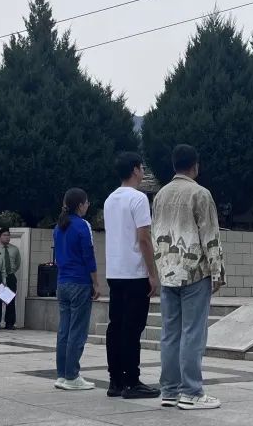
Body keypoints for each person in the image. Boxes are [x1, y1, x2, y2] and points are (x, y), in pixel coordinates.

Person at [152, 144, 224, 411]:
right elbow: (210, 235)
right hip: (194, 271)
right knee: (193, 332)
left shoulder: (160, 195)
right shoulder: (200, 193)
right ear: (195, 166)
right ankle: (191, 391)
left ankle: (169, 390)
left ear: (174, 165)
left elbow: (155, 233)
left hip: (167, 271)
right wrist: (217, 271)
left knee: (169, 333)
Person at [103, 152, 159, 399]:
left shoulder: (110, 199)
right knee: (132, 328)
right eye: (141, 167)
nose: (143, 171)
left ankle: (115, 380)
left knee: (115, 326)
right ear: (135, 170)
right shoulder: (138, 199)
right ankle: (132, 381)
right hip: (135, 272)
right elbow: (144, 238)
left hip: (114, 271)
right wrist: (152, 273)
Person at [53, 187, 99, 391]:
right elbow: (88, 255)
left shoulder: (58, 226)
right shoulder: (83, 225)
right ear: (80, 205)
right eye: (87, 202)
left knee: (64, 330)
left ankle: (62, 374)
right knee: (77, 331)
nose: (88, 205)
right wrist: (96, 282)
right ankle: (72, 375)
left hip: (62, 282)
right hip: (80, 282)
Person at [0, 227, 21, 330]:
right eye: (4, 235)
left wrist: (11, 271)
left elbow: (18, 263)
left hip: (10, 276)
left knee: (10, 300)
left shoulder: (14, 249)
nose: (7, 237)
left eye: (8, 235)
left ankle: (10, 323)